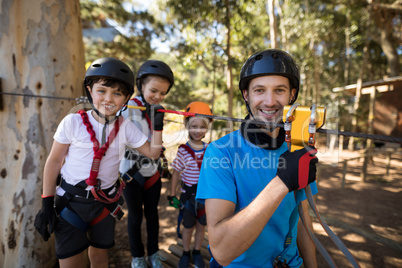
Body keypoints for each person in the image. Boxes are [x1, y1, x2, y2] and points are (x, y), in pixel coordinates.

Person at [34, 57, 165, 268]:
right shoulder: (73, 122)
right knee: (70, 262)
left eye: (117, 93)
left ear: (127, 98)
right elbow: (55, 161)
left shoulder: (126, 127)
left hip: (103, 205)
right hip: (71, 203)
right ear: (89, 90)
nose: (109, 99)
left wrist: (158, 127)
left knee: (100, 259)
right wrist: (46, 203)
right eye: (102, 90)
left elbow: (152, 153)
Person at [196, 49, 319, 267]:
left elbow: (301, 218)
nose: (270, 101)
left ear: (292, 95)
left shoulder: (297, 148)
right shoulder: (221, 152)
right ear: (246, 95)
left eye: (279, 90)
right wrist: (282, 183)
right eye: (259, 90)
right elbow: (222, 251)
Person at [119, 60, 174, 268]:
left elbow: (157, 144)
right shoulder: (127, 109)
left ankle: (153, 253)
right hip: (131, 173)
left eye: (163, 93)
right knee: (135, 216)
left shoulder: (156, 109)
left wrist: (157, 120)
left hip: (152, 172)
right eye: (154, 91)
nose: (158, 97)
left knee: (152, 215)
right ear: (141, 85)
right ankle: (137, 256)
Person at [168, 102, 213, 268]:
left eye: (202, 127)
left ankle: (196, 251)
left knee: (201, 226)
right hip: (188, 196)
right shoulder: (183, 151)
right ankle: (186, 252)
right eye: (194, 126)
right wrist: (172, 194)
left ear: (207, 128)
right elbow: (175, 173)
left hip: (204, 197)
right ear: (187, 125)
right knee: (188, 227)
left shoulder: (210, 149)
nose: (198, 130)